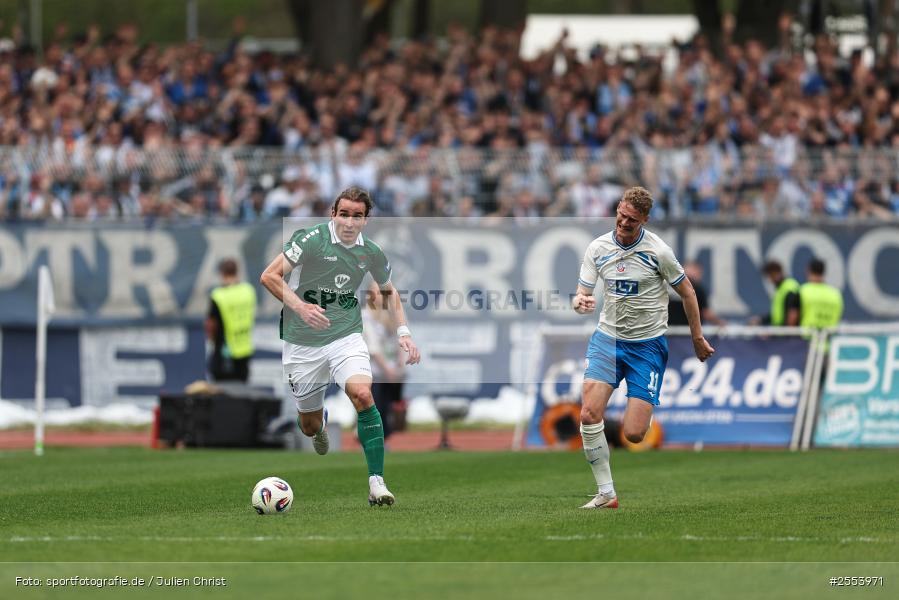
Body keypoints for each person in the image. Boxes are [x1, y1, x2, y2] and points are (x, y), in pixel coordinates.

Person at [259, 186, 420, 506]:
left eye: (357, 216)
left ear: (365, 220)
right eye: (343, 214)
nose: (349, 221)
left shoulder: (371, 252)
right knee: (307, 425)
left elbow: (389, 292)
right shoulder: (311, 240)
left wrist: (403, 331)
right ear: (333, 214)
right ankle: (319, 424)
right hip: (302, 342)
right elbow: (269, 276)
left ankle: (377, 482)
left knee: (362, 395)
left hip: (345, 336)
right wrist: (301, 307)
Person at [572, 186, 715, 509]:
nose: (623, 223)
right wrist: (580, 302)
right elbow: (581, 294)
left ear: (645, 220)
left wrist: (697, 337)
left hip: (646, 346)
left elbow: (688, 293)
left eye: (631, 220)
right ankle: (606, 493)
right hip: (607, 341)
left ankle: (641, 407)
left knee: (634, 434)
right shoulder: (597, 248)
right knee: (589, 414)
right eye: (621, 215)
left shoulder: (658, 252)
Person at [362, 282, 407, 440]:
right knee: (376, 407)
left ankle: (384, 439)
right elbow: (373, 348)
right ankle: (369, 437)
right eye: (378, 293)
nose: (381, 296)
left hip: (392, 370)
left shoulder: (390, 315)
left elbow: (398, 340)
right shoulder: (366, 316)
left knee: (389, 408)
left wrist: (400, 362)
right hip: (375, 372)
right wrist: (388, 370)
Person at [206, 258, 256, 382]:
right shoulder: (248, 290)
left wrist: (211, 339)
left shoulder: (218, 295)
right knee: (241, 391)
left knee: (222, 394)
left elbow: (211, 323)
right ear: (237, 271)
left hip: (224, 350)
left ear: (222, 273)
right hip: (244, 348)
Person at [667, 261, 727, 327]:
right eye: (698, 272)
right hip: (688, 332)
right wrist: (719, 322)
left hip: (667, 330)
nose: (700, 275)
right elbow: (705, 313)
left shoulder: (669, 286)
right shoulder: (696, 288)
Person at [799, 258, 843, 330]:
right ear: (824, 272)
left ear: (808, 271)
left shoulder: (803, 291)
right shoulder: (835, 294)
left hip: (807, 339)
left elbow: (794, 315)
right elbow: (838, 317)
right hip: (828, 339)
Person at [755, 261, 801, 326]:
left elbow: (793, 314)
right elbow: (777, 315)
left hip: (787, 333)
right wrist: (760, 320)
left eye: (770, 276)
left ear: (777, 273)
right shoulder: (780, 289)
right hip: (781, 332)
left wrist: (787, 333)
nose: (769, 280)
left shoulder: (789, 287)